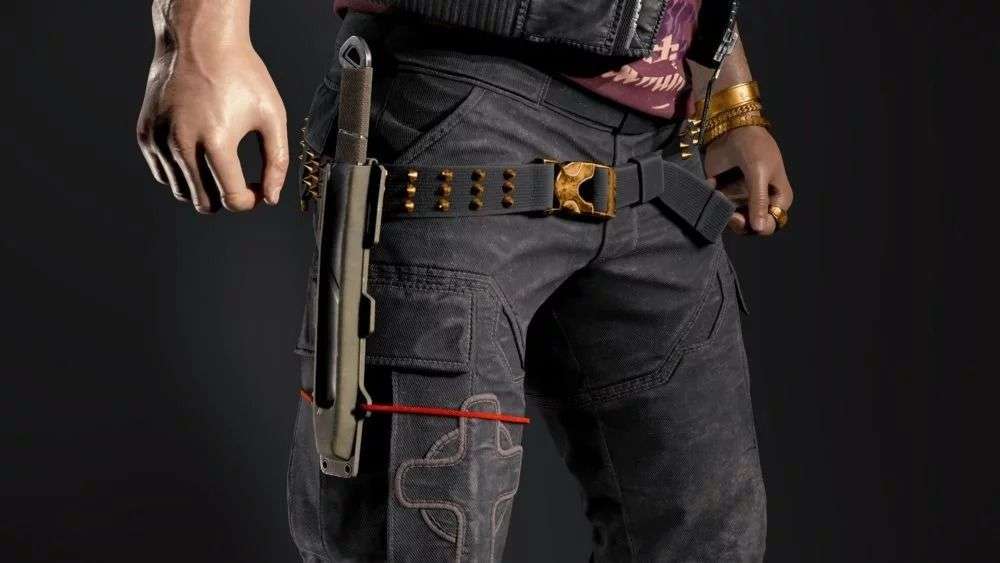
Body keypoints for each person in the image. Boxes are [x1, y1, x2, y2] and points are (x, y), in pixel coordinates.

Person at [136, 0, 794, 560]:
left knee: (710, 541)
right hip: (458, 96)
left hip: (659, 138)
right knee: (421, 539)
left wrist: (730, 96)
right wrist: (198, 38)